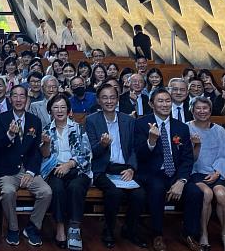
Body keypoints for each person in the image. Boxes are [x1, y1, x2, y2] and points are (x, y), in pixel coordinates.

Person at [134, 88, 202, 251]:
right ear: (151, 104)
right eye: (160, 101)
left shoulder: (181, 127)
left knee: (195, 192)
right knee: (157, 189)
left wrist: (181, 181)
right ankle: (157, 234)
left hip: (175, 174)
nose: (165, 104)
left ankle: (189, 234)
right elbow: (139, 155)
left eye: (167, 101)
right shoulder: (141, 123)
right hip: (152, 173)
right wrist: (151, 141)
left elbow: (187, 159)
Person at [85, 83, 145, 248]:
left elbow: (133, 149)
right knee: (114, 192)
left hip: (124, 168)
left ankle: (130, 230)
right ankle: (109, 230)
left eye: (112, 97)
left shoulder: (128, 120)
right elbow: (91, 153)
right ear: (98, 100)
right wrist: (102, 145)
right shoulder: (91, 120)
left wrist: (131, 168)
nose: (109, 101)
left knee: (139, 194)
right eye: (105, 97)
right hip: (103, 169)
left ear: (118, 99)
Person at [0, 84, 51, 247]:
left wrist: (31, 172)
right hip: (7, 171)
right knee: (8, 192)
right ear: (10, 98)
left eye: (22, 96)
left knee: (46, 192)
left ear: (27, 99)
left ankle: (32, 227)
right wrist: (9, 135)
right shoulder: (1, 119)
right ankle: (13, 228)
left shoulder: (35, 121)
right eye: (15, 96)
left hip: (28, 169)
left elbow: (36, 151)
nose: (19, 99)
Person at [40, 93, 92, 250]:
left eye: (63, 107)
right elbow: (44, 156)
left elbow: (86, 154)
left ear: (69, 110)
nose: (59, 110)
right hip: (55, 170)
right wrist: (46, 144)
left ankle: (74, 228)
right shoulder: (46, 130)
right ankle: (61, 228)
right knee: (56, 188)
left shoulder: (78, 128)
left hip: (77, 169)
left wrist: (69, 165)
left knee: (75, 187)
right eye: (55, 107)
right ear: (50, 111)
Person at [188, 96, 225, 251]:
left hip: (215, 172)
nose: (202, 111)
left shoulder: (219, 130)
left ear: (210, 110)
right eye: (198, 108)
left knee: (221, 195)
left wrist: (217, 172)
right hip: (196, 172)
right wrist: (197, 146)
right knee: (207, 194)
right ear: (192, 110)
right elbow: (188, 158)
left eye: (205, 108)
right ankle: (204, 233)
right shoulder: (187, 128)